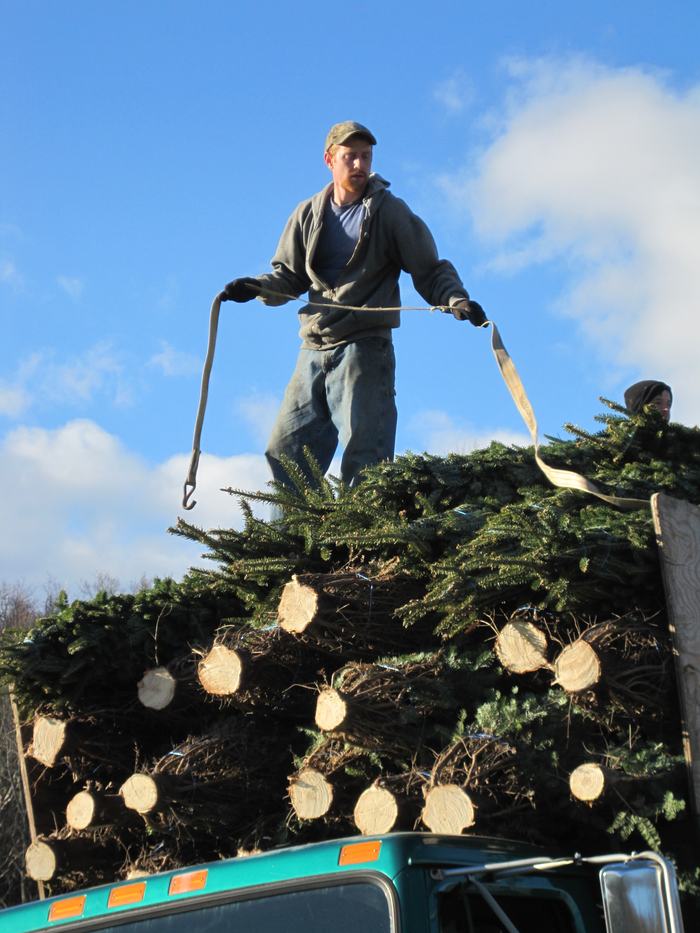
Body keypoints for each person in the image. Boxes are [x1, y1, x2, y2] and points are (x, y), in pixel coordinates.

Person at [219, 120, 485, 490]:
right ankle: (294, 543)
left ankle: (364, 543)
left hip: (364, 349)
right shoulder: (308, 213)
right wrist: (256, 287)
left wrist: (455, 299)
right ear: (330, 160)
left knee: (366, 457)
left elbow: (429, 269)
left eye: (365, 157)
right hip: (313, 348)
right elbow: (287, 278)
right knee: (287, 452)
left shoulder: (389, 213)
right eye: (350, 157)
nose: (359, 165)